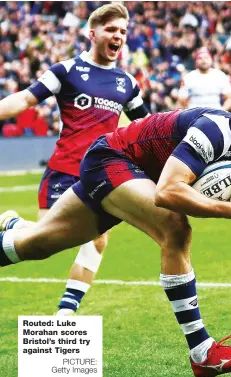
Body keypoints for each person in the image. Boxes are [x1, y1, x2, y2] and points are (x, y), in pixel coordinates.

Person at [0, 92, 231, 377]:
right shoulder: (216, 131)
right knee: (174, 228)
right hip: (112, 157)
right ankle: (203, 352)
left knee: (34, 245)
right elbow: (166, 191)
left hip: (137, 177)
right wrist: (224, 210)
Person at [0, 3, 149, 316]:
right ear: (92, 34)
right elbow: (26, 99)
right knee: (44, 240)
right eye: (111, 29)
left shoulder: (127, 84)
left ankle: (67, 313)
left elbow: (146, 127)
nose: (118, 35)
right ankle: (13, 223)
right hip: (64, 170)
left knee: (97, 241)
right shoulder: (66, 71)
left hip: (102, 173)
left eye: (122, 31)